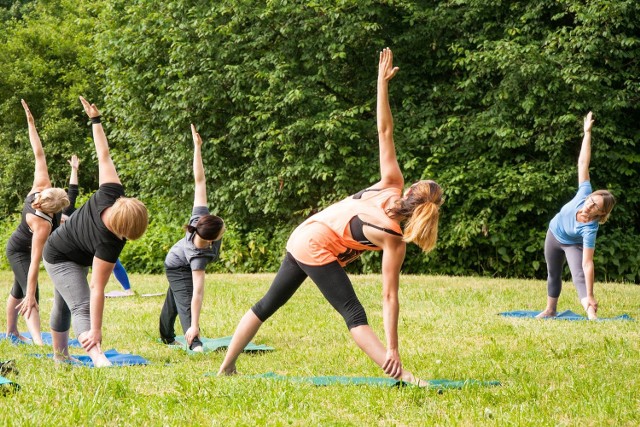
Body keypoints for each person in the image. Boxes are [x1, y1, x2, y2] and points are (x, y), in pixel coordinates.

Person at [218, 48, 442, 385]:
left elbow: (384, 132)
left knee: (268, 303)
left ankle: (226, 367)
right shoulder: (394, 237)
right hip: (315, 244)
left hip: (303, 233)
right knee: (353, 313)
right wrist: (392, 348)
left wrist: (381, 84)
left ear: (410, 190)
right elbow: (389, 296)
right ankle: (405, 377)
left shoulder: (391, 183)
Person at [43, 97, 148, 366]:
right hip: (58, 254)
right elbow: (97, 289)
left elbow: (104, 154)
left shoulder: (111, 192)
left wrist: (95, 120)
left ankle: (60, 358)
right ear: (122, 230)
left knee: (64, 304)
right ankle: (96, 357)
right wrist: (96, 331)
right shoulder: (109, 242)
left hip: (73, 250)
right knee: (80, 305)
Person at [537, 112, 615, 320]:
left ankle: (591, 313)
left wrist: (590, 294)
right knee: (553, 273)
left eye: (595, 207)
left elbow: (587, 263)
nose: (589, 205)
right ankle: (550, 310)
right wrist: (587, 133)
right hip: (554, 233)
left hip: (571, 243)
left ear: (601, 213)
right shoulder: (584, 193)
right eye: (591, 200)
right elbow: (583, 163)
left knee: (579, 275)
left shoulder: (590, 229)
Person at [4, 100, 70, 345]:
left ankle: (12, 331)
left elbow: (38, 152)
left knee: (18, 289)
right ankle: (39, 341)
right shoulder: (41, 212)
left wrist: (31, 123)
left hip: (23, 248)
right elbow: (34, 263)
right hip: (18, 249)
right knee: (30, 293)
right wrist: (32, 292)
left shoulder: (42, 205)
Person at [159, 124, 224, 352]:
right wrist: (194, 325)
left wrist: (197, 148)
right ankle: (194, 343)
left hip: (179, 258)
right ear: (211, 240)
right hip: (177, 265)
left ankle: (165, 334)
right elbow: (198, 293)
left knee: (176, 296)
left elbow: (200, 182)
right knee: (185, 301)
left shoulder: (200, 219)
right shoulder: (199, 256)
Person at [63, 155, 134, 297]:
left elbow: (73, 189)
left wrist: (74, 170)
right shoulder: (51, 220)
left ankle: (128, 289)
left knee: (114, 263)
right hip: (78, 247)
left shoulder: (67, 208)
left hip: (96, 237)